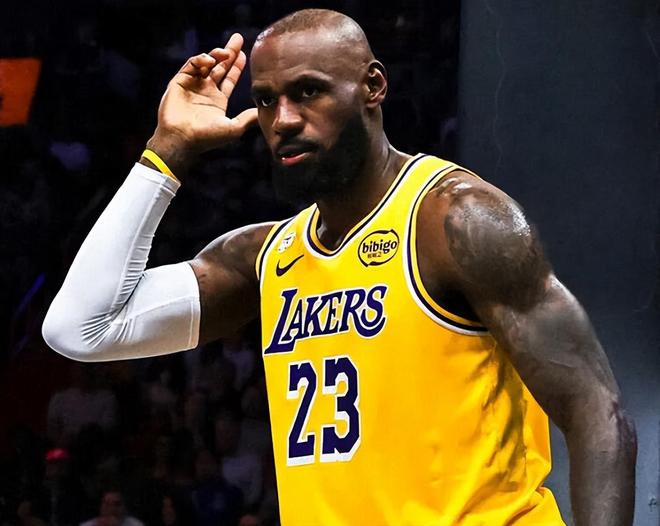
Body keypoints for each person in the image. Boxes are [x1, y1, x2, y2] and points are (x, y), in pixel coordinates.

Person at [42, 8, 636, 525]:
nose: (283, 119)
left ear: (372, 86)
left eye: (308, 92)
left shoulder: (456, 219)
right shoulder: (268, 257)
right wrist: (168, 148)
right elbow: (80, 330)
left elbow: (596, 412)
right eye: (265, 100)